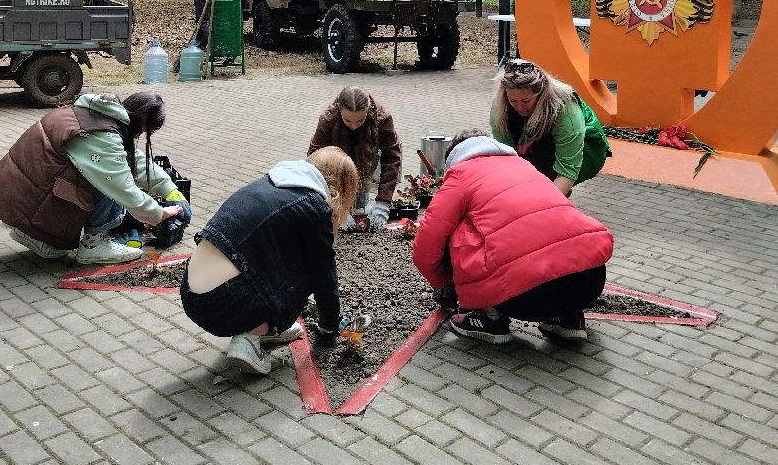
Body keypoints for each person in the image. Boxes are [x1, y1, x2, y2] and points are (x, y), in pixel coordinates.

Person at [412, 129, 614, 343]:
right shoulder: (525, 166)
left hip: (522, 298)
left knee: (458, 228)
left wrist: (445, 286)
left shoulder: (460, 174)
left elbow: (426, 244)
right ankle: (567, 317)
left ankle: (488, 317)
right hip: (589, 282)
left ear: (454, 158)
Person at [181, 146, 359, 374]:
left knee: (281, 257)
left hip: (192, 295)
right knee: (307, 268)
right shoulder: (313, 207)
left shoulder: (274, 182)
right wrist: (329, 326)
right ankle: (249, 339)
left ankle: (265, 328)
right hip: (224, 303)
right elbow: (324, 275)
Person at [0, 92, 190, 265]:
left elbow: (132, 158)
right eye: (145, 131)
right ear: (142, 124)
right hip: (28, 205)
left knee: (55, 251)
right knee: (108, 181)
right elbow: (122, 185)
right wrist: (159, 214)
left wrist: (169, 188)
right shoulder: (102, 135)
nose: (139, 136)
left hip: (19, 197)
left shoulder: (93, 114)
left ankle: (38, 235)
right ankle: (94, 245)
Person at [308, 85, 402, 230]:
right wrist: (335, 206)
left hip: (368, 158)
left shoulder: (382, 118)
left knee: (361, 201)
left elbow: (392, 159)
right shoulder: (328, 120)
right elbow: (315, 163)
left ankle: (361, 205)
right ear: (339, 111)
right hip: (337, 164)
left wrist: (383, 202)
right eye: (348, 121)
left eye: (360, 120)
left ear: (368, 110)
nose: (354, 126)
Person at [490, 58, 586, 197]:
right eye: (513, 101)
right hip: (527, 141)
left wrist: (541, 204)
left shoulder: (566, 111)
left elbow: (568, 170)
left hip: (574, 149)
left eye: (526, 101)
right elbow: (507, 156)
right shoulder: (499, 107)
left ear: (539, 94)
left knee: (543, 154)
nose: (520, 107)